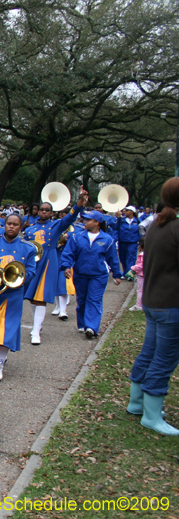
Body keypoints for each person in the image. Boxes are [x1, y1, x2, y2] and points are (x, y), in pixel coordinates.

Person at [127, 177, 179, 435]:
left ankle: (137, 403)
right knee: (164, 358)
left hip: (152, 301)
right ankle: (151, 415)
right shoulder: (175, 227)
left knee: (149, 352)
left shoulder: (157, 226)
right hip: (171, 303)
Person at [23, 189, 88, 344]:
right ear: (38, 211)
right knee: (32, 298)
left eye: (47, 210)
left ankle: (36, 330)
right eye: (42, 209)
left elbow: (72, 215)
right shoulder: (29, 229)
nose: (44, 212)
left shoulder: (56, 226)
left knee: (41, 297)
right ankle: (36, 325)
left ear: (51, 213)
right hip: (33, 263)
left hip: (48, 261)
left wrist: (79, 201)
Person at [0, 213, 37, 381]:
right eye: (8, 224)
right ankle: (0, 355)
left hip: (13, 294)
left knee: (7, 328)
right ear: (3, 225)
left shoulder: (28, 248)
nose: (11, 227)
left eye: (15, 224)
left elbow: (31, 271)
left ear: (20, 227)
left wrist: (18, 280)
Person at [60, 211, 122, 339]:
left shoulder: (107, 239)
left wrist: (117, 274)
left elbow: (113, 258)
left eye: (88, 220)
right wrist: (66, 267)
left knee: (94, 300)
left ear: (97, 222)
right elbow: (69, 253)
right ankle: (83, 324)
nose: (85, 222)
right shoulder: (77, 237)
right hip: (80, 274)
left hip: (98, 275)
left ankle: (91, 327)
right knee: (82, 300)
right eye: (85, 219)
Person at [115, 206, 140, 280]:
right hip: (122, 242)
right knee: (123, 258)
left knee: (131, 257)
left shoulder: (137, 221)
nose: (125, 212)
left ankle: (130, 274)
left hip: (133, 242)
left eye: (127, 211)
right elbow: (116, 228)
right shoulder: (122, 220)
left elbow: (140, 231)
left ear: (132, 212)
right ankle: (125, 273)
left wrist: (140, 240)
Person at [129, 237, 145, 312]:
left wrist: (134, 268)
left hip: (141, 275)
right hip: (147, 274)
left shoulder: (142, 255)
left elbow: (142, 265)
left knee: (139, 290)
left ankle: (139, 305)